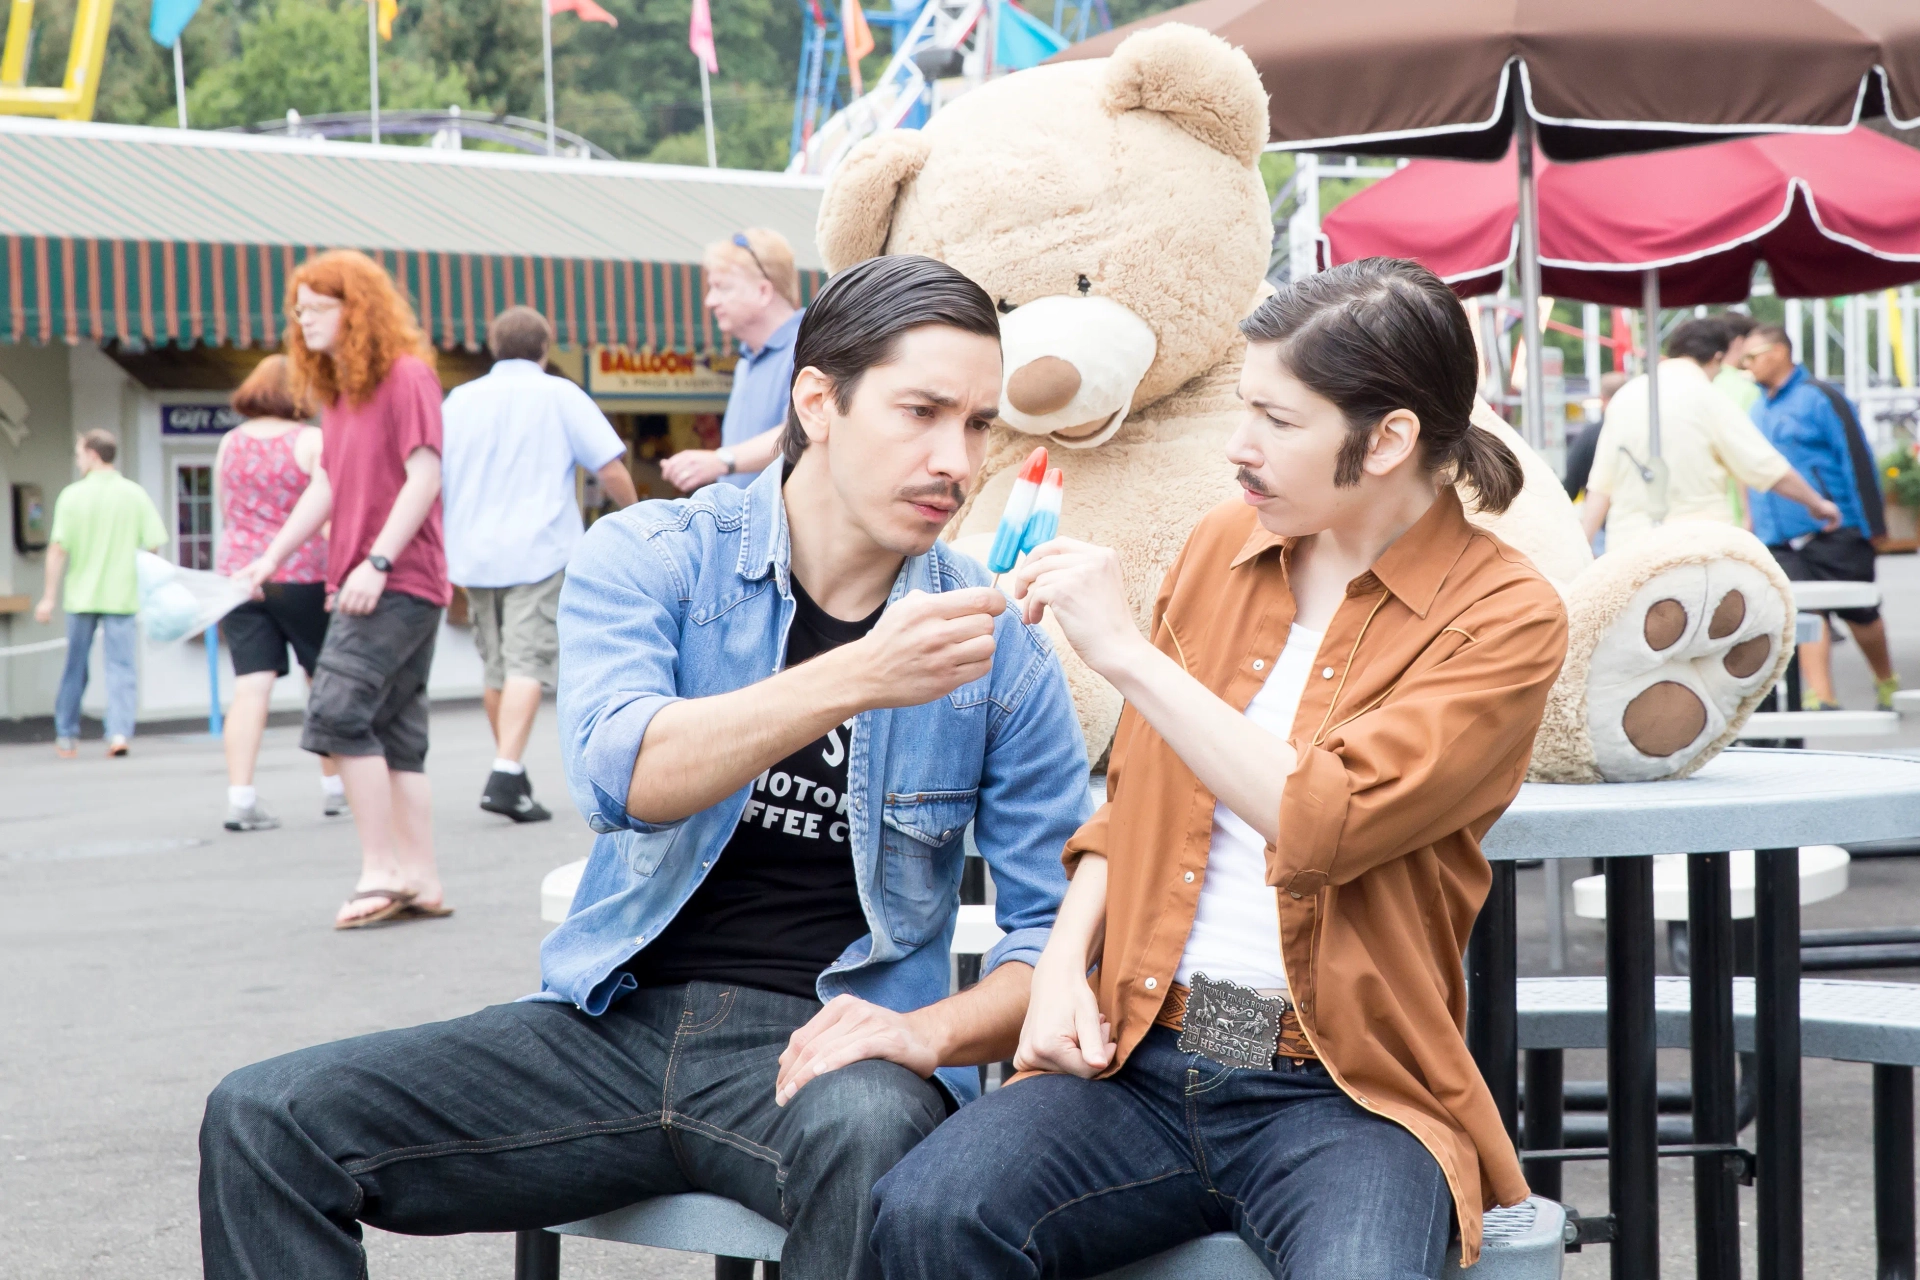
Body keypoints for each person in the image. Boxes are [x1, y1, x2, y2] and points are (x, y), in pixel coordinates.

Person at [197, 254, 1091, 1280]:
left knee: (875, 1137)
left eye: (978, 424)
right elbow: (622, 777)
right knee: (264, 1118)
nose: (955, 458)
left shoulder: (998, 644)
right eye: (922, 411)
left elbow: (1050, 938)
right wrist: (858, 674)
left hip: (831, 1043)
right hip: (607, 1020)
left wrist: (926, 1034)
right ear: (819, 400)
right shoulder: (656, 554)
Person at [871, 258, 1569, 1279]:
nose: (1239, 447)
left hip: (1347, 1087)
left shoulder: (1505, 614)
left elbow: (1325, 820)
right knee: (928, 1212)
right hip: (1139, 1054)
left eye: (1278, 421)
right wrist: (1059, 974)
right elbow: (1134, 802)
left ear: (1389, 440)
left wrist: (1127, 655)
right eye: (1244, 407)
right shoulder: (1219, 546)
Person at [237, 249, 453, 929]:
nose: (302, 322)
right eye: (298, 310)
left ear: (354, 308)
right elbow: (326, 488)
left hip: (395, 579)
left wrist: (376, 563)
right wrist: (269, 557)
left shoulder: (408, 377)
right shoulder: (339, 393)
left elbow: (425, 476)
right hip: (378, 580)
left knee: (335, 711)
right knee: (395, 728)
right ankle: (420, 878)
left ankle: (381, 870)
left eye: (316, 308)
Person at [441, 305, 639, 822]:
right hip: (539, 549)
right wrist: (639, 517)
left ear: (493, 347)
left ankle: (513, 773)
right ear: (545, 348)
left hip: (472, 554)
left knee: (497, 666)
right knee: (528, 661)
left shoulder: (458, 400)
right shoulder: (558, 394)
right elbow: (609, 466)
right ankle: (506, 770)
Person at [215, 355, 345, 831]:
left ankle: (241, 797)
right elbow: (328, 512)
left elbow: (229, 511)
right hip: (302, 572)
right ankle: (335, 789)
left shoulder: (230, 443)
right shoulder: (311, 440)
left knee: (251, 685)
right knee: (323, 678)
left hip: (239, 574)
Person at [1745, 323, 1901, 710]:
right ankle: (1822, 696)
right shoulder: (1756, 408)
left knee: (1860, 612)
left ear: (1779, 351)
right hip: (1781, 535)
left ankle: (1886, 680)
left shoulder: (1821, 397)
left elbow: (1856, 457)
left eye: (1752, 356)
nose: (1746, 366)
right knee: (1804, 610)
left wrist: (1872, 526)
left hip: (1835, 527)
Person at [1581, 317, 1840, 544]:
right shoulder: (1707, 397)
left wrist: (1584, 545)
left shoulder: (1626, 396)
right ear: (1717, 357)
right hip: (1698, 545)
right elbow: (1765, 467)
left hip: (1629, 546)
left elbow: (1600, 486)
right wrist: (1818, 504)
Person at [35, 428, 168, 759]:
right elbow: (153, 543)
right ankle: (119, 732)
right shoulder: (134, 494)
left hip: (81, 596)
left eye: (79, 453)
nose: (78, 459)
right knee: (121, 667)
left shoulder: (72, 496)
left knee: (75, 666)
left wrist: (48, 596)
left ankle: (66, 735)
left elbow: (56, 549)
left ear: (93, 455)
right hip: (122, 595)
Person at [660, 228, 803, 493]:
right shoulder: (746, 361)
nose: (709, 301)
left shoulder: (808, 346)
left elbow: (801, 431)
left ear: (763, 291)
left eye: (721, 288)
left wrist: (722, 460)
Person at [1562, 369, 1629, 501]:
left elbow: (1569, 486)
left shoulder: (1590, 435)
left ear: (1602, 399)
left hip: (1600, 516)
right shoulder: (1644, 430)